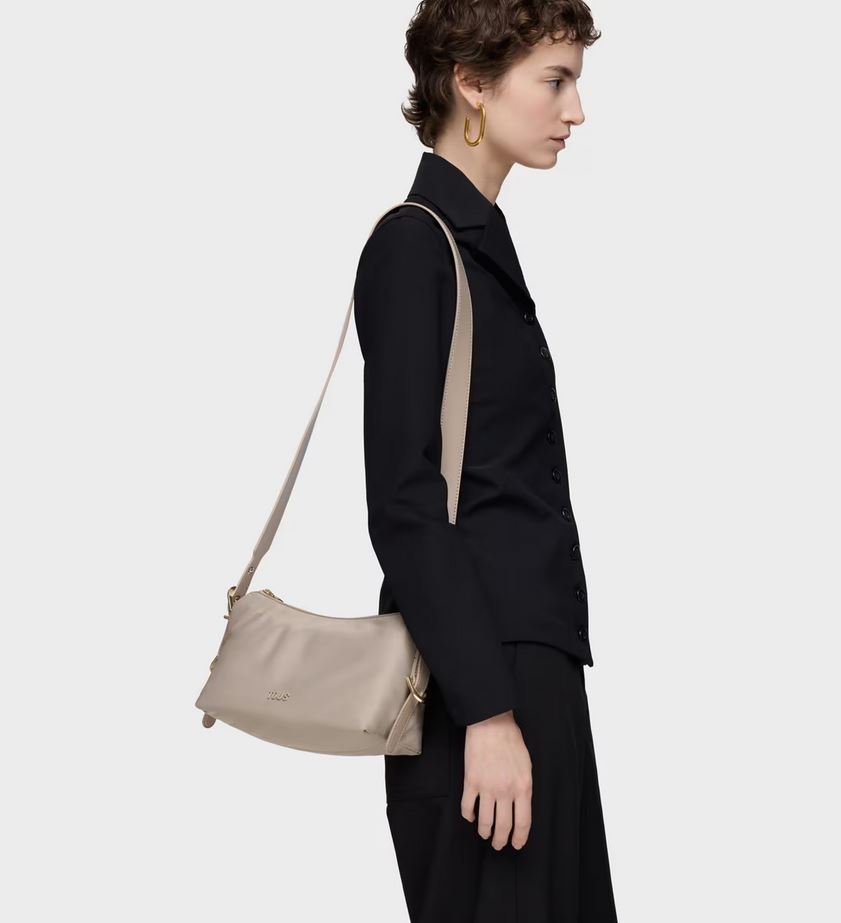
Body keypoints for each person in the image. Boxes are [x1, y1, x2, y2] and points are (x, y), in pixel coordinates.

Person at [352, 2, 617, 920]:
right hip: (478, 688)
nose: (575, 110)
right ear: (470, 83)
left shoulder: (477, 240)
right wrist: (489, 714)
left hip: (529, 677)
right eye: (555, 80)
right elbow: (404, 501)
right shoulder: (415, 244)